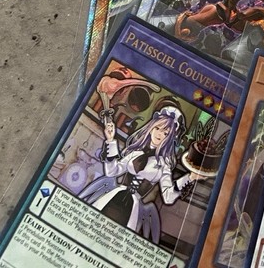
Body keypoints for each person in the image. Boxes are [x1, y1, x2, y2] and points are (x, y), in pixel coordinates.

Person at [79, 104, 204, 244]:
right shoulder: (136, 152)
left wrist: (190, 177)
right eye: (157, 128)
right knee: (89, 227)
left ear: (170, 138)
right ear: (151, 127)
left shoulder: (164, 165)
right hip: (114, 196)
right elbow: (112, 171)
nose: (159, 134)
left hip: (132, 207)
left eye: (165, 133)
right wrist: (110, 140)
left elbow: (168, 197)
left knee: (115, 240)